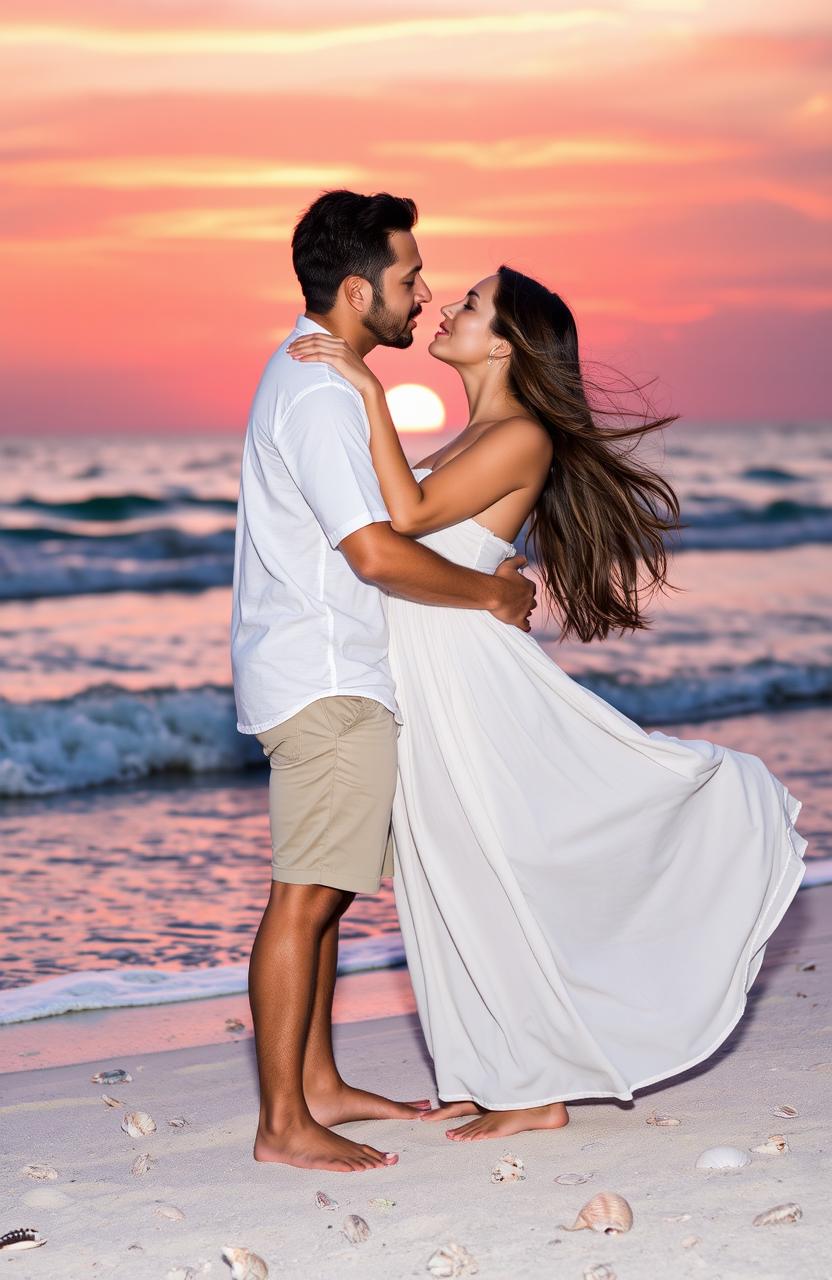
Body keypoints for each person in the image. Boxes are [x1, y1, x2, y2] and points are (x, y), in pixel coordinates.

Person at [286, 264, 809, 1142]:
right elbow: (390, 522)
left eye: (473, 304)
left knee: (494, 857)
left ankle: (535, 1089)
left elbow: (405, 516)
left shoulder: (522, 433)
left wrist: (364, 383)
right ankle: (506, 1073)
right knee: (452, 868)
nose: (447, 307)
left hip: (464, 673)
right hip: (430, 664)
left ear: (507, 342)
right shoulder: (468, 435)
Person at [230, 193, 536, 1172]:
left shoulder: (322, 379)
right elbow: (373, 552)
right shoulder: (321, 392)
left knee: (325, 895)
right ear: (357, 289)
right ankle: (283, 1119)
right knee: (306, 896)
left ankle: (315, 1083)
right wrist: (487, 594)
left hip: (326, 667)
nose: (425, 294)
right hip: (326, 672)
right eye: (410, 280)